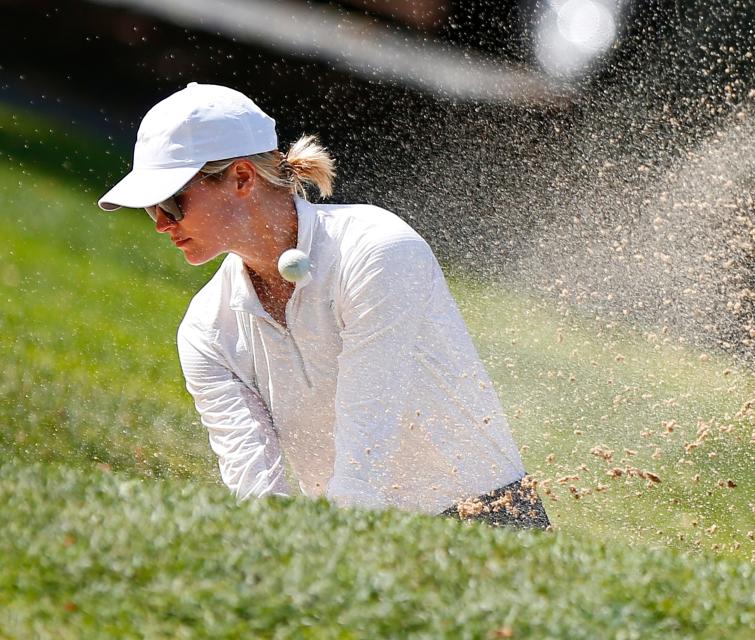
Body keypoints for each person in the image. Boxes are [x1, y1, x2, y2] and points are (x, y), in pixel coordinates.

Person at [97, 82, 549, 530]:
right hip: (350, 540)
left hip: (489, 524)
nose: (160, 224)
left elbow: (364, 454)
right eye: (151, 208)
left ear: (241, 178)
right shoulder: (205, 330)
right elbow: (256, 495)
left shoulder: (377, 251)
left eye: (173, 203)